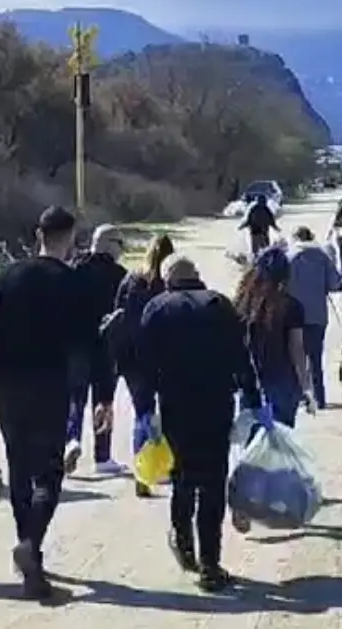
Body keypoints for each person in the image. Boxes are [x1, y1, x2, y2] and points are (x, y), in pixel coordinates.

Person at [0, 205, 95, 599]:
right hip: (50, 388)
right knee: (50, 474)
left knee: (20, 471)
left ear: (37, 235)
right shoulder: (73, 283)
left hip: (7, 389)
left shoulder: (7, 278)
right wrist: (91, 398)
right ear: (71, 238)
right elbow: (85, 345)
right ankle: (31, 546)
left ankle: (32, 563)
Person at [137, 253, 265, 593]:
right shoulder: (220, 306)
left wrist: (144, 409)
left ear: (168, 281)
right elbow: (243, 357)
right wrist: (254, 400)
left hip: (176, 408)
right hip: (215, 406)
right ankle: (210, 564)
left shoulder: (157, 308)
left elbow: (144, 366)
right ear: (198, 276)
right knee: (212, 484)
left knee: (181, 480)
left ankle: (184, 546)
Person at [110, 233, 175, 498]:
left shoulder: (133, 279)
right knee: (169, 411)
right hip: (163, 356)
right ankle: (166, 464)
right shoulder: (169, 282)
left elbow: (117, 312)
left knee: (142, 412)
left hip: (132, 357)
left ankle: (142, 473)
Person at [65, 224, 128, 476]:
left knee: (74, 399)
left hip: (75, 345)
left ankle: (72, 439)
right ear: (112, 245)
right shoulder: (119, 275)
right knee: (104, 401)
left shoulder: (74, 269)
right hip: (105, 348)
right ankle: (102, 457)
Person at [234, 246, 314, 427]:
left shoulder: (242, 305)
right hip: (283, 383)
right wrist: (306, 386)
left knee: (253, 444)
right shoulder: (292, 307)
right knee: (279, 445)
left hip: (250, 382)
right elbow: (297, 349)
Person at [286, 226, 342, 409]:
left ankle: (299, 396)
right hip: (318, 315)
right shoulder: (323, 256)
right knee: (316, 359)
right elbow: (335, 284)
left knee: (294, 358)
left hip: (293, 316)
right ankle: (320, 398)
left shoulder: (290, 257)